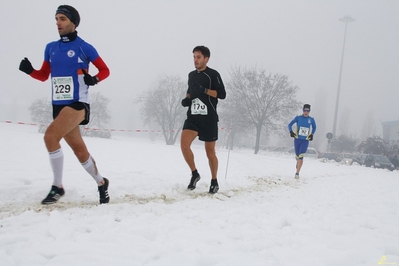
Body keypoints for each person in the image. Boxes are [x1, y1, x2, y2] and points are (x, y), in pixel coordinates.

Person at [19, 5, 110, 204]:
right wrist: (30, 71)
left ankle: (57, 187)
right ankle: (102, 182)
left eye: (62, 19)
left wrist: (94, 79)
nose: (58, 23)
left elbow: (105, 70)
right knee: (80, 151)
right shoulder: (50, 48)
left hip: (78, 103)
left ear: (73, 23)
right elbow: (44, 76)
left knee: (50, 136)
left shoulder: (83, 47)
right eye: (56, 19)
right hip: (58, 105)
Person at [180, 46, 226, 193]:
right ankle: (194, 174)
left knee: (210, 153)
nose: (195, 60)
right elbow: (190, 91)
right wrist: (187, 100)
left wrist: (204, 90)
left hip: (209, 119)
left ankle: (214, 181)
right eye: (194, 57)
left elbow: (222, 94)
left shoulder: (213, 74)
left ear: (206, 59)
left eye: (198, 57)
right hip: (193, 117)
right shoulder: (191, 75)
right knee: (184, 146)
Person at [287, 104, 317, 179]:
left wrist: (312, 134)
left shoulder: (311, 119)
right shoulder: (298, 118)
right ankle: (298, 162)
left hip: (305, 141)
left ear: (309, 111)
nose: (306, 112)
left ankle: (297, 173)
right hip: (297, 140)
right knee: (297, 156)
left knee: (301, 156)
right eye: (304, 110)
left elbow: (314, 127)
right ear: (302, 110)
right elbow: (289, 125)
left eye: (307, 111)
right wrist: (291, 132)